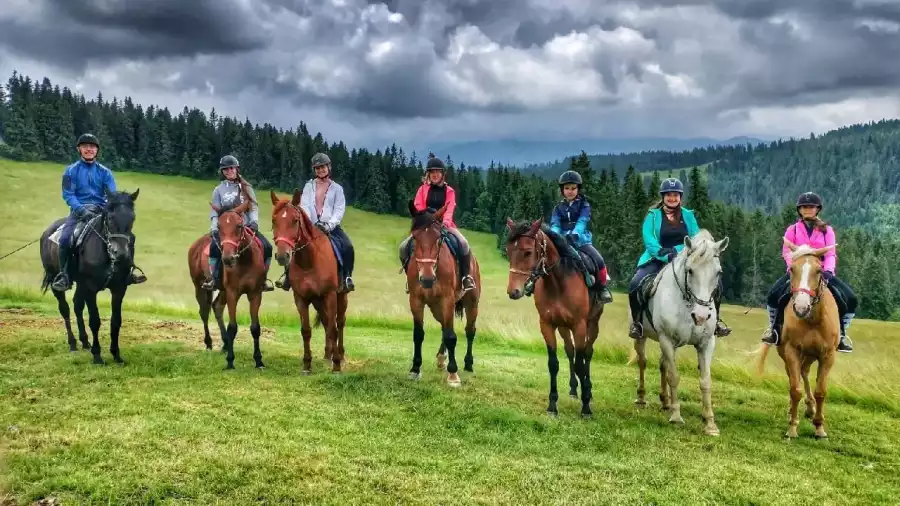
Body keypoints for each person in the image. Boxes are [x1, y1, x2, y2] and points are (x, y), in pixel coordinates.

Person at [627, 177, 731, 339]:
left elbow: (697, 240)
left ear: (680, 197)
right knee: (635, 283)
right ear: (663, 196)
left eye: (675, 195)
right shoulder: (653, 216)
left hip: (684, 259)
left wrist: (677, 251)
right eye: (668, 194)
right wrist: (662, 253)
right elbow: (649, 238)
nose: (672, 198)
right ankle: (637, 323)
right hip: (656, 259)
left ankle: (716, 322)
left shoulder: (688, 216)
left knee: (717, 285)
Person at [760, 192, 856, 353]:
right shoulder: (793, 230)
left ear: (817, 209)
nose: (807, 209)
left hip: (820, 271)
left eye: (811, 207)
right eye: (804, 207)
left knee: (850, 299)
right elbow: (786, 251)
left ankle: (841, 335)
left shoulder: (827, 231)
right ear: (799, 210)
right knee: (773, 295)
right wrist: (793, 268)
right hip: (798, 272)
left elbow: (831, 253)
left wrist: (828, 271)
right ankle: (774, 330)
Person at [51, 133, 147, 292]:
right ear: (79, 149)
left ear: (97, 150)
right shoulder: (70, 171)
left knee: (128, 237)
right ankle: (64, 275)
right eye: (85, 146)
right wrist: (81, 210)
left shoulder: (105, 172)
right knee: (66, 238)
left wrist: (104, 209)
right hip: (78, 212)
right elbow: (68, 194)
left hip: (101, 211)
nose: (89, 149)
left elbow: (112, 195)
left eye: (92, 147)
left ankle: (128, 272)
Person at [277, 152, 356, 293]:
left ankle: (346, 277)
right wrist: (310, 223)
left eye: (323, 167)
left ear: (329, 167)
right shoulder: (309, 186)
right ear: (314, 170)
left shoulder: (337, 188)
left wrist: (328, 225)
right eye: (317, 168)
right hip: (311, 227)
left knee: (348, 246)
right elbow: (305, 205)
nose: (320, 170)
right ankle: (288, 277)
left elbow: (339, 210)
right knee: (292, 244)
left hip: (330, 228)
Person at [398, 154, 476, 293]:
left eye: (437, 172)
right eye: (432, 172)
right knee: (403, 247)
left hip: (444, 224)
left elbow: (450, 207)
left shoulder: (449, 191)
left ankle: (465, 277)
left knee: (463, 243)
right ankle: (410, 279)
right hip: (425, 226)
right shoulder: (422, 190)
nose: (435, 175)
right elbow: (418, 205)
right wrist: (425, 220)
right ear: (428, 174)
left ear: (442, 174)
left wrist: (445, 221)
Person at [201, 155, 274, 292]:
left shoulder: (247, 187)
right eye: (225, 169)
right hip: (226, 229)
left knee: (268, 247)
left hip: (245, 227)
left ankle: (263, 280)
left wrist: (254, 221)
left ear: (236, 169)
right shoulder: (218, 190)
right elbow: (214, 212)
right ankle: (214, 279)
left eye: (231, 168)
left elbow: (253, 207)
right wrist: (214, 227)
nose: (229, 171)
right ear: (222, 172)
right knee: (213, 249)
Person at [549, 170, 614, 303]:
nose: (570, 191)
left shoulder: (584, 205)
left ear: (578, 189)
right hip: (562, 241)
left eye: (573, 188)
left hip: (580, 241)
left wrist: (574, 234)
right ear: (562, 190)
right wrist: (556, 235)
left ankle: (602, 288)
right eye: (567, 188)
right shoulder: (558, 208)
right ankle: (535, 285)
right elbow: (555, 224)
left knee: (599, 260)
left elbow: (582, 222)